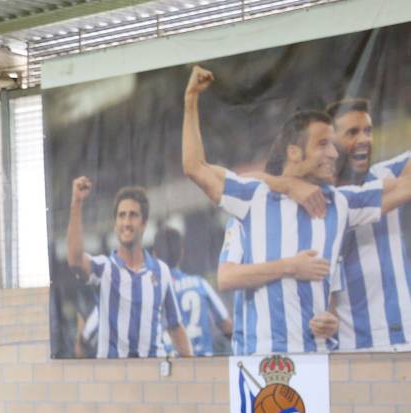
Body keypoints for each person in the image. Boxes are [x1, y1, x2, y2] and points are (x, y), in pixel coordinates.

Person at [181, 65, 411, 353]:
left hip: (318, 357)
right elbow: (195, 167)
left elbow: (404, 187)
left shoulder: (340, 203)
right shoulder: (255, 198)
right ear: (294, 152)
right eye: (323, 144)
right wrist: (190, 100)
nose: (334, 152)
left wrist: (329, 320)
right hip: (260, 359)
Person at [66, 178, 192, 358]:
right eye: (121, 215)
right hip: (113, 378)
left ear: (144, 222)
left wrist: (192, 368)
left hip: (153, 376)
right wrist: (77, 203)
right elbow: (75, 261)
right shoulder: (104, 268)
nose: (126, 222)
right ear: (115, 223)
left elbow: (175, 326)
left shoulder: (161, 271)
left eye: (133, 215)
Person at [326, 97, 411, 350]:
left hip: (405, 338)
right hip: (352, 349)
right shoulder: (318, 201)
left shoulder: (386, 174)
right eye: (352, 132)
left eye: (368, 131)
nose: (364, 139)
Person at [154, 226, 232, 356]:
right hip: (204, 366)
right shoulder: (200, 283)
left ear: (154, 255)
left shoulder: (152, 292)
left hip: (170, 367)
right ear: (182, 253)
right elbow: (226, 324)